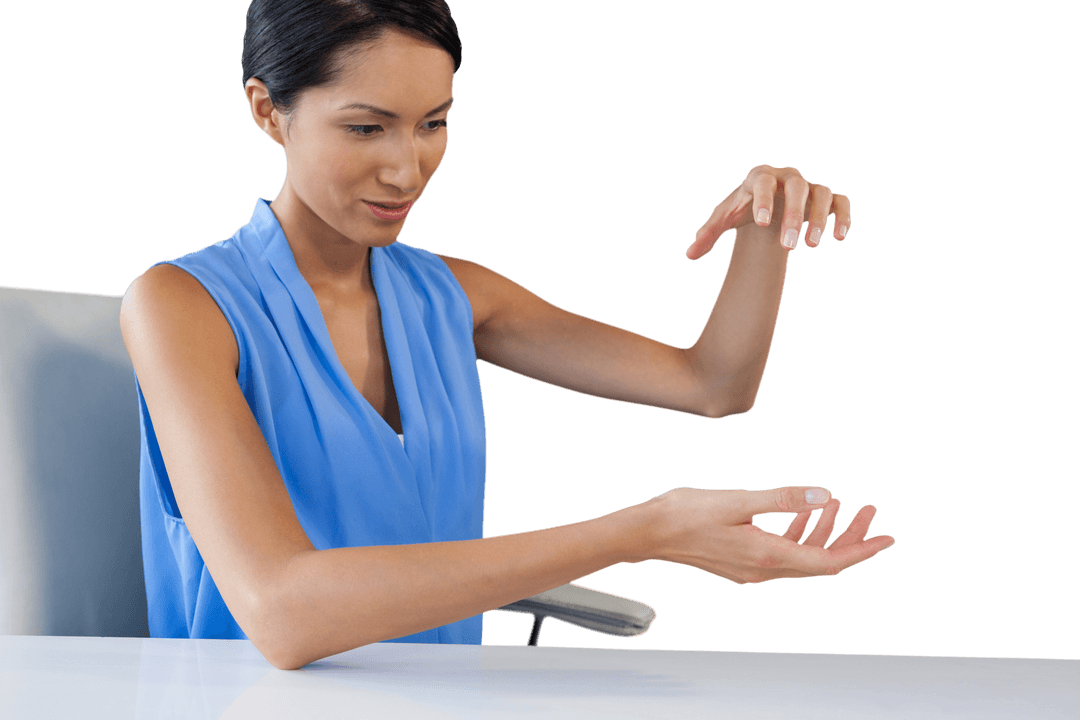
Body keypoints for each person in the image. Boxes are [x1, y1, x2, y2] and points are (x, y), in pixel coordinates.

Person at [119, 0, 893, 671]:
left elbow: (713, 384)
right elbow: (281, 612)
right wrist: (640, 532)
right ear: (267, 110)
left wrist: (767, 229)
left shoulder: (452, 295)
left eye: (434, 124)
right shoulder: (181, 305)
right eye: (366, 127)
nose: (406, 168)